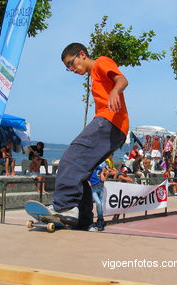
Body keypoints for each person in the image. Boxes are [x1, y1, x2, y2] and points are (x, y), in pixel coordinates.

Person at [49, 43, 129, 231]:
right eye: (67, 68)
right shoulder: (93, 77)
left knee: (71, 159)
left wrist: (115, 91)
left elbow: (122, 79)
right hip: (115, 129)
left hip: (108, 122)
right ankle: (84, 222)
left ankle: (64, 207)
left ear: (82, 55)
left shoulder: (101, 62)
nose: (72, 69)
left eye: (71, 63)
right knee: (82, 172)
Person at [88, 164, 109, 231]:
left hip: (100, 185)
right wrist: (88, 181)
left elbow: (104, 170)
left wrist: (102, 174)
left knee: (101, 204)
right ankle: (100, 220)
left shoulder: (95, 166)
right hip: (93, 188)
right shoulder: (87, 167)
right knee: (98, 203)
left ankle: (100, 220)